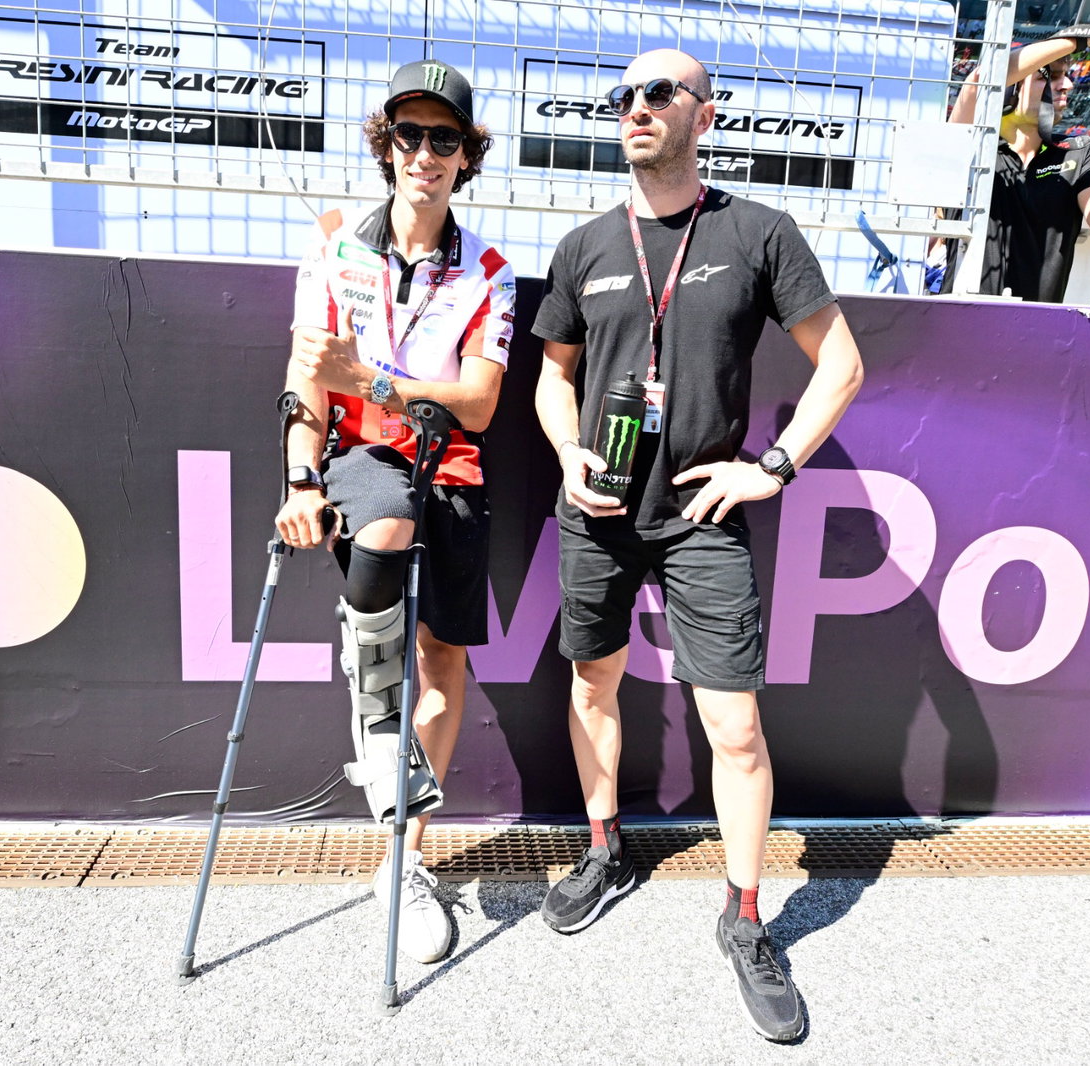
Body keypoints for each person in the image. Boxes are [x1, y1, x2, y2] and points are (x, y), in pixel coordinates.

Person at [530, 48, 864, 1042]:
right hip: (596, 512)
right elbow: (552, 376)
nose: (635, 107)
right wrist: (566, 451)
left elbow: (840, 364)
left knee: (735, 729)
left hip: (702, 518)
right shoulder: (586, 245)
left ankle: (746, 916)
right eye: (622, 96)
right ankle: (604, 848)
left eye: (657, 93)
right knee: (592, 689)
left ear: (703, 115)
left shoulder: (756, 233)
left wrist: (771, 466)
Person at [274, 58, 514, 965]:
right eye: (408, 135)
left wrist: (370, 378)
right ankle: (376, 728)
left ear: (465, 156)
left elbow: (480, 404)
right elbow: (307, 382)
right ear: (388, 147)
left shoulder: (490, 270)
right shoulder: (336, 247)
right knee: (381, 527)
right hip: (366, 459)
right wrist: (300, 479)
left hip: (451, 465)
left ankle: (404, 859)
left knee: (444, 656)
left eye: (443, 138)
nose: (424, 153)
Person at [949, 23, 1090, 301]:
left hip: (1037, 328)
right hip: (960, 319)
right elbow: (978, 85)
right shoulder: (973, 148)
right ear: (1009, 90)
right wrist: (1086, 36)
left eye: (1067, 75)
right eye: (1050, 76)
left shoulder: (1078, 152)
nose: (1067, 85)